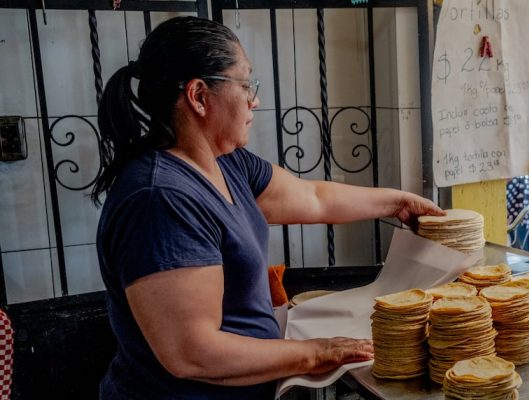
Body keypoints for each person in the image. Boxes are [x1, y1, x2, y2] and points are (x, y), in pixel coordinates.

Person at [92, 17, 444, 399]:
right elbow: (192, 354)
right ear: (198, 95)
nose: (254, 100)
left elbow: (313, 197)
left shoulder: (227, 162)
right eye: (245, 84)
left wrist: (397, 202)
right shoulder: (160, 199)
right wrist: (313, 354)